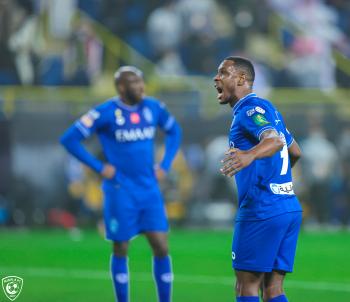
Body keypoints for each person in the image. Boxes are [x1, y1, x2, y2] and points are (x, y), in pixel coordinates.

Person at [60, 66, 181, 302]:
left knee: (161, 246)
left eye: (141, 82)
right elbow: (69, 139)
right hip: (120, 190)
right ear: (121, 87)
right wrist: (99, 167)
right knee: (121, 248)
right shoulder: (104, 113)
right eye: (134, 83)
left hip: (149, 190)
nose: (141, 87)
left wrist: (165, 164)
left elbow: (174, 131)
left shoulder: (153, 107)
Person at [214, 56, 302, 302]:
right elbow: (295, 151)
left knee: (246, 288)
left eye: (223, 72)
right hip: (288, 206)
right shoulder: (269, 109)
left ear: (242, 78)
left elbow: (273, 141)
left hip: (261, 209)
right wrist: (275, 179)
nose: (216, 78)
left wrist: (249, 156)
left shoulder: (248, 111)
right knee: (273, 289)